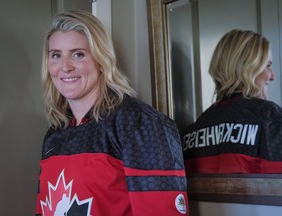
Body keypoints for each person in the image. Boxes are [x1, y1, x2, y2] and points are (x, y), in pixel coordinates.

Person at [36, 10, 189, 216]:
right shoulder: (55, 134)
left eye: (78, 54)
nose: (65, 67)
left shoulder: (140, 123)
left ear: (101, 61)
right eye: (56, 55)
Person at [183, 29, 282, 174]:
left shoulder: (193, 130)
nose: (272, 76)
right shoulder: (270, 117)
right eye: (267, 65)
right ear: (248, 67)